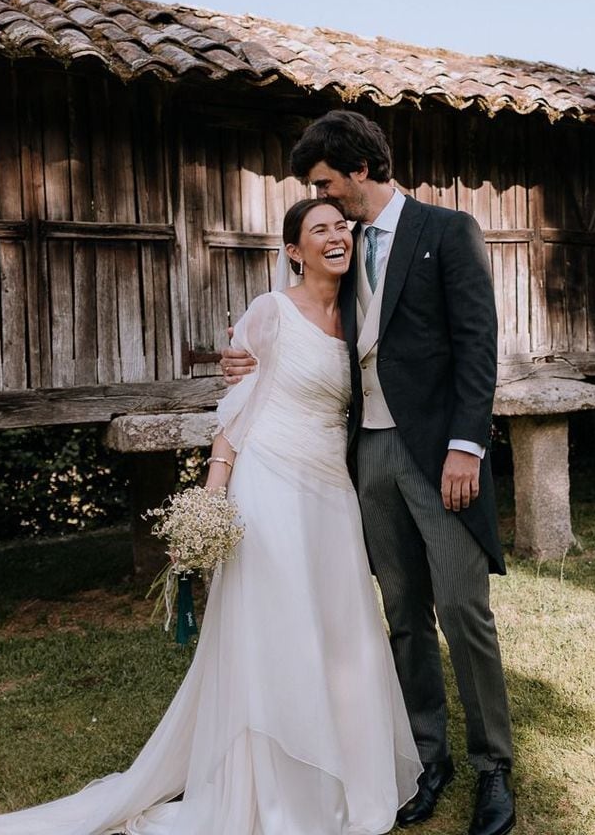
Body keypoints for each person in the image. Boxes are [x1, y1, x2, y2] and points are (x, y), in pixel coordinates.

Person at [0, 198, 421, 835]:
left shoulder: (358, 313)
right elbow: (236, 410)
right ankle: (277, 789)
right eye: (319, 229)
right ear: (293, 251)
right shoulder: (269, 312)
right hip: (270, 481)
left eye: (341, 226)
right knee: (278, 627)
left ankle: (341, 769)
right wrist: (213, 492)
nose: (336, 237)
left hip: (332, 488)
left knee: (337, 625)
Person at [222, 111, 516, 835]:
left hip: (439, 452)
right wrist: (246, 354)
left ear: (359, 169)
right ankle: (427, 760)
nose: (321, 198)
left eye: (325, 182)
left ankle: (493, 768)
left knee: (462, 609)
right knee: (403, 615)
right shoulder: (341, 250)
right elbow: (307, 321)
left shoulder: (448, 231)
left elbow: (478, 343)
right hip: (365, 455)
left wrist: (466, 446)